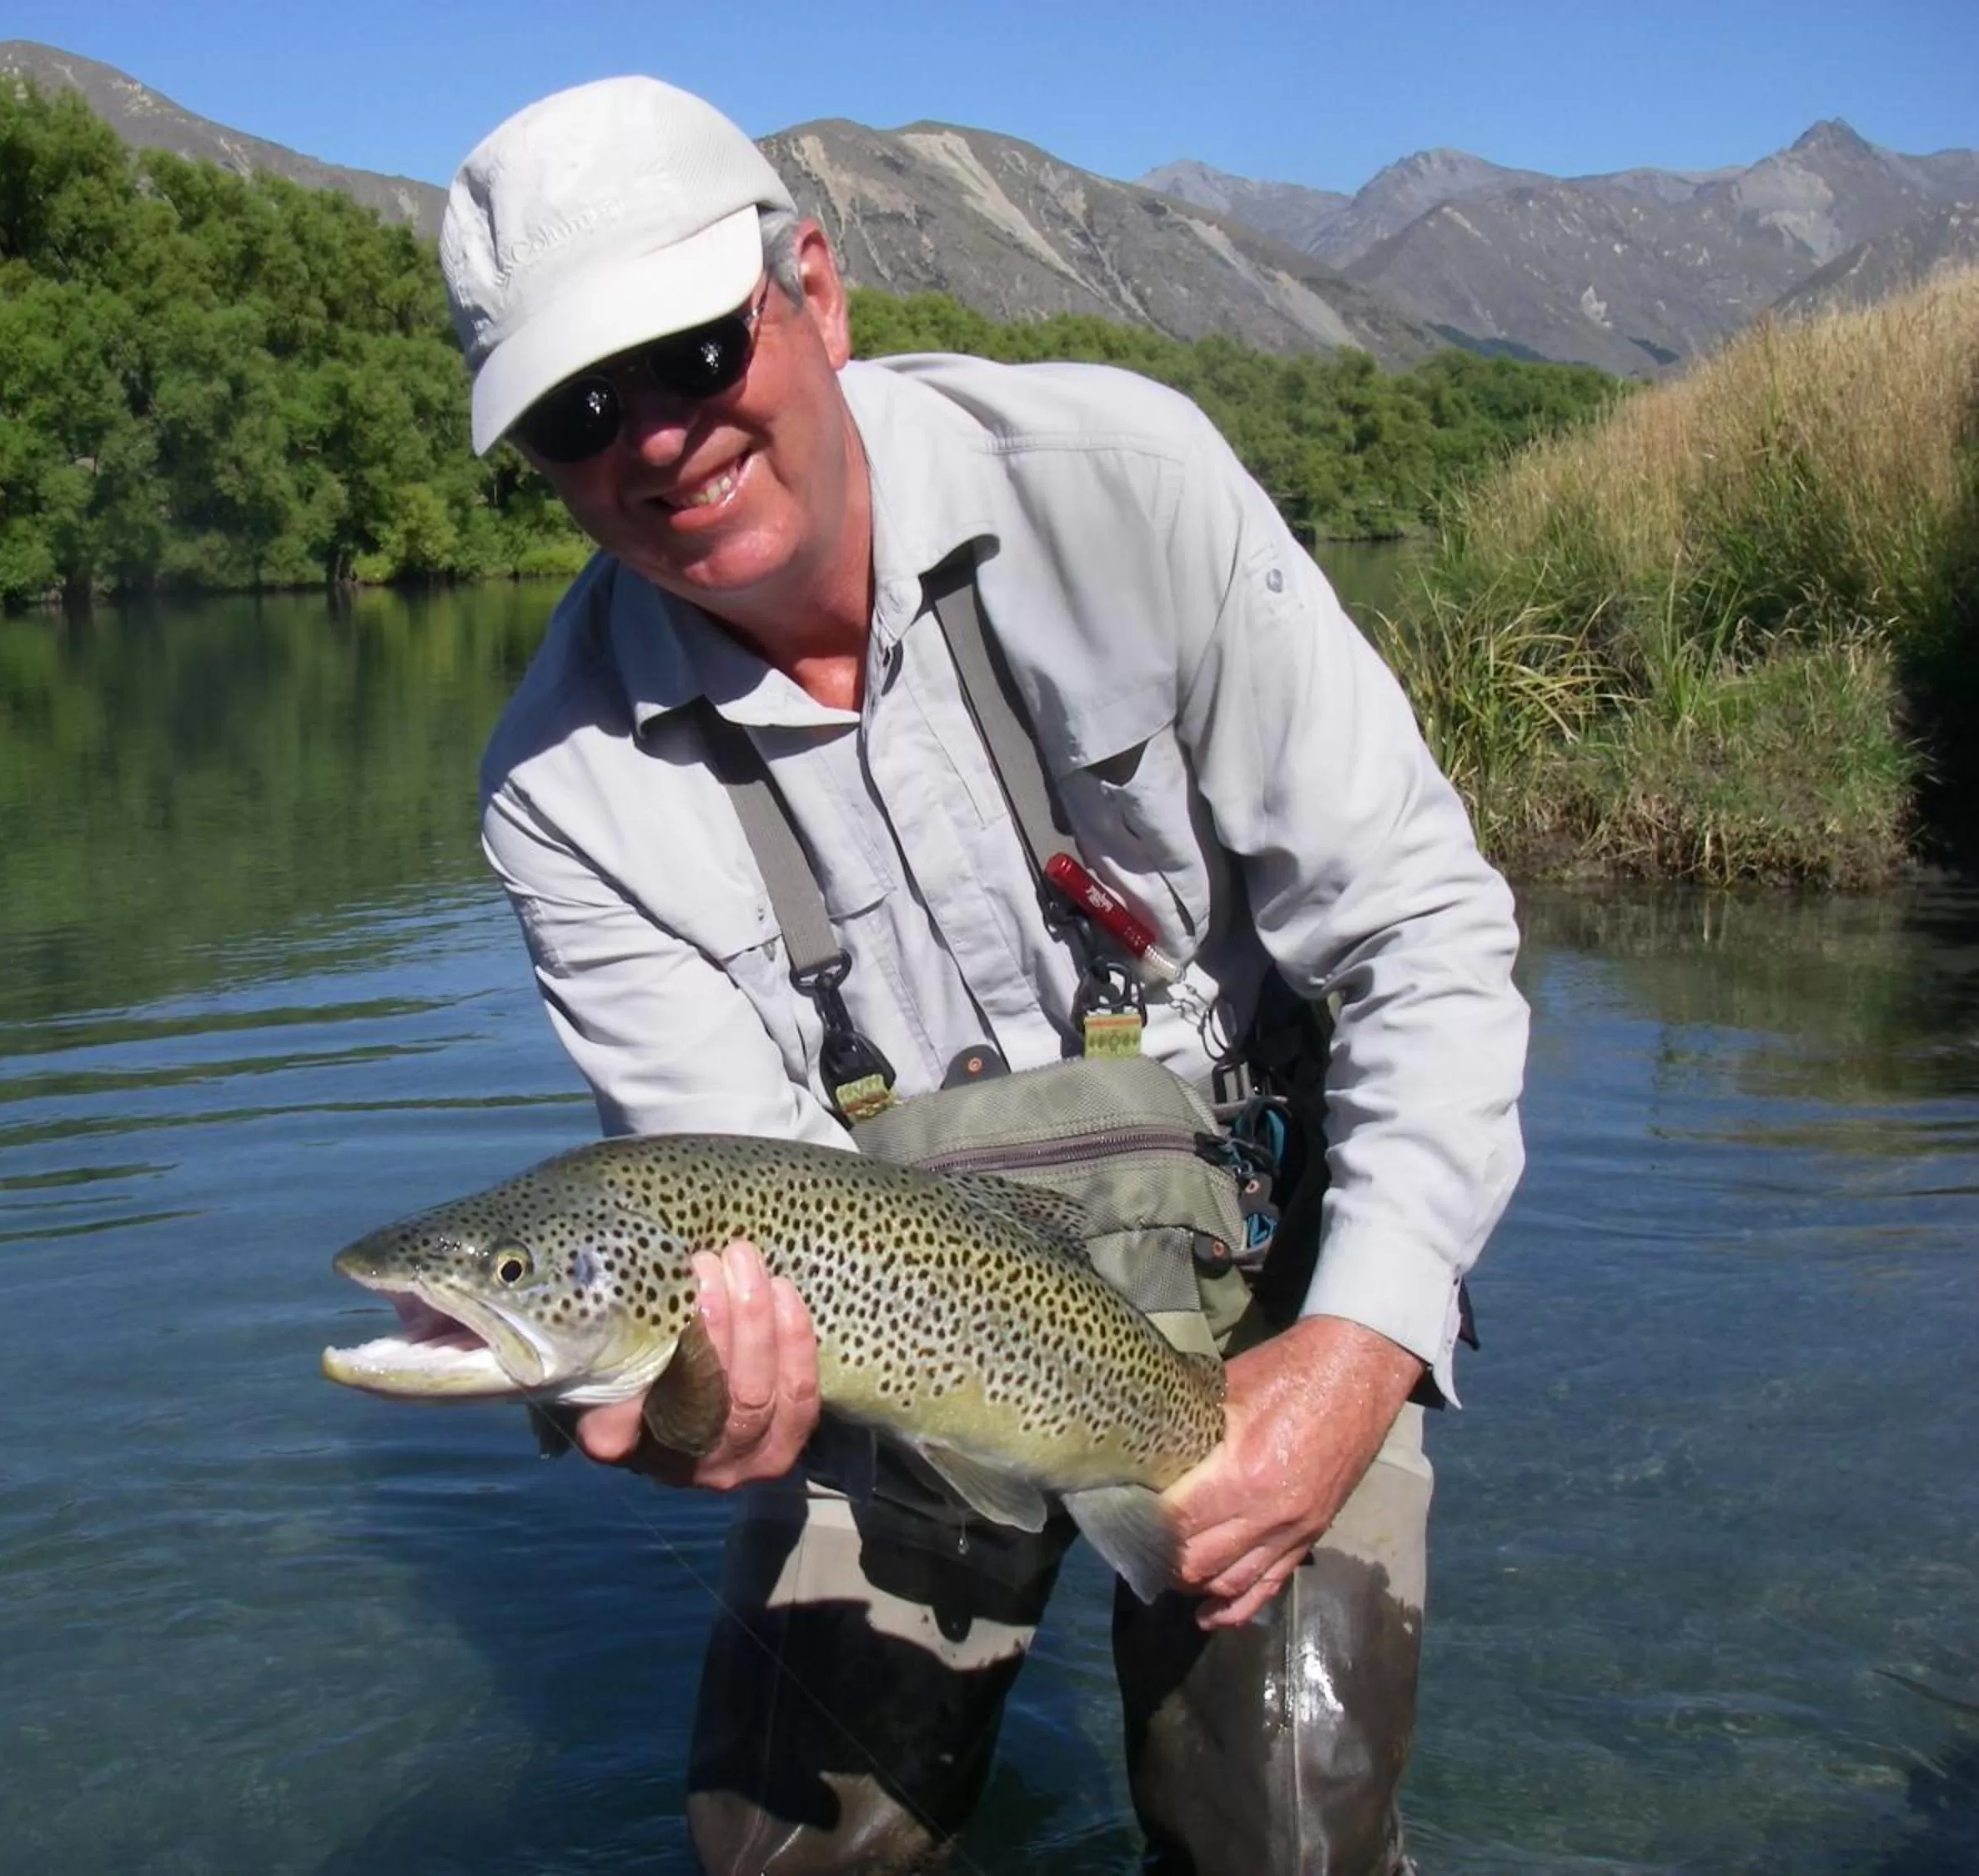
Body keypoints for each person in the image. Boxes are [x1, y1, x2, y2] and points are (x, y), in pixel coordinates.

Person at [441, 74, 1529, 1876]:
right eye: (578, 412)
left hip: (1271, 1292)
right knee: (785, 1857)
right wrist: (695, 1408)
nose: (658, 439)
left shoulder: (1129, 493)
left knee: (1284, 1844)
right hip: (894, 1349)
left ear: (815, 292)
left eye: (695, 353)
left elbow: (1425, 933)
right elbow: (737, 1213)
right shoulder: (563, 798)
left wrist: (1358, 1348)